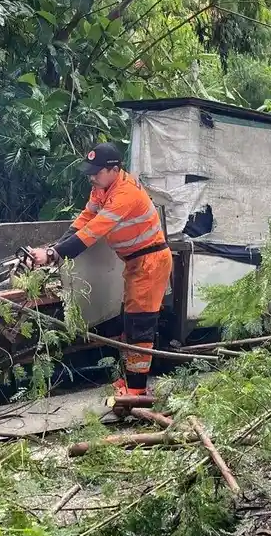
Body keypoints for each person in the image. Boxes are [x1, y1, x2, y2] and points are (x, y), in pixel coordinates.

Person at [29, 143, 172, 397]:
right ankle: (128, 381)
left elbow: (94, 232)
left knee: (140, 327)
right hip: (134, 262)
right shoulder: (102, 188)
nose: (91, 177)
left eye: (96, 172)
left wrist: (53, 254)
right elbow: (84, 220)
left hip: (151, 262)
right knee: (125, 323)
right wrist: (56, 249)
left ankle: (137, 391)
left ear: (114, 169)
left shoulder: (125, 194)